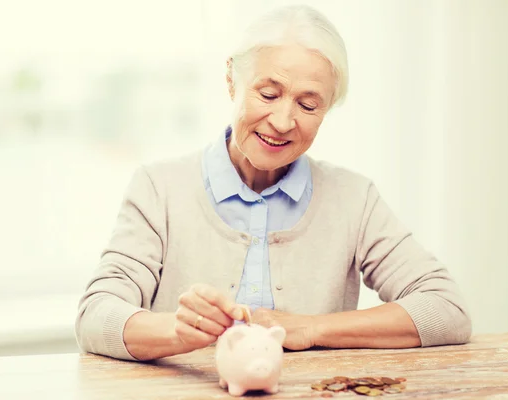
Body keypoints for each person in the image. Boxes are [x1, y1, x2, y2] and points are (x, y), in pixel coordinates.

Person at [75, 4, 472, 362]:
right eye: (268, 93)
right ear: (232, 80)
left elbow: (445, 310)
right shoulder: (158, 188)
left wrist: (310, 328)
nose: (283, 122)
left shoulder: (354, 199)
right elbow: (96, 315)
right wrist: (177, 331)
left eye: (308, 104)